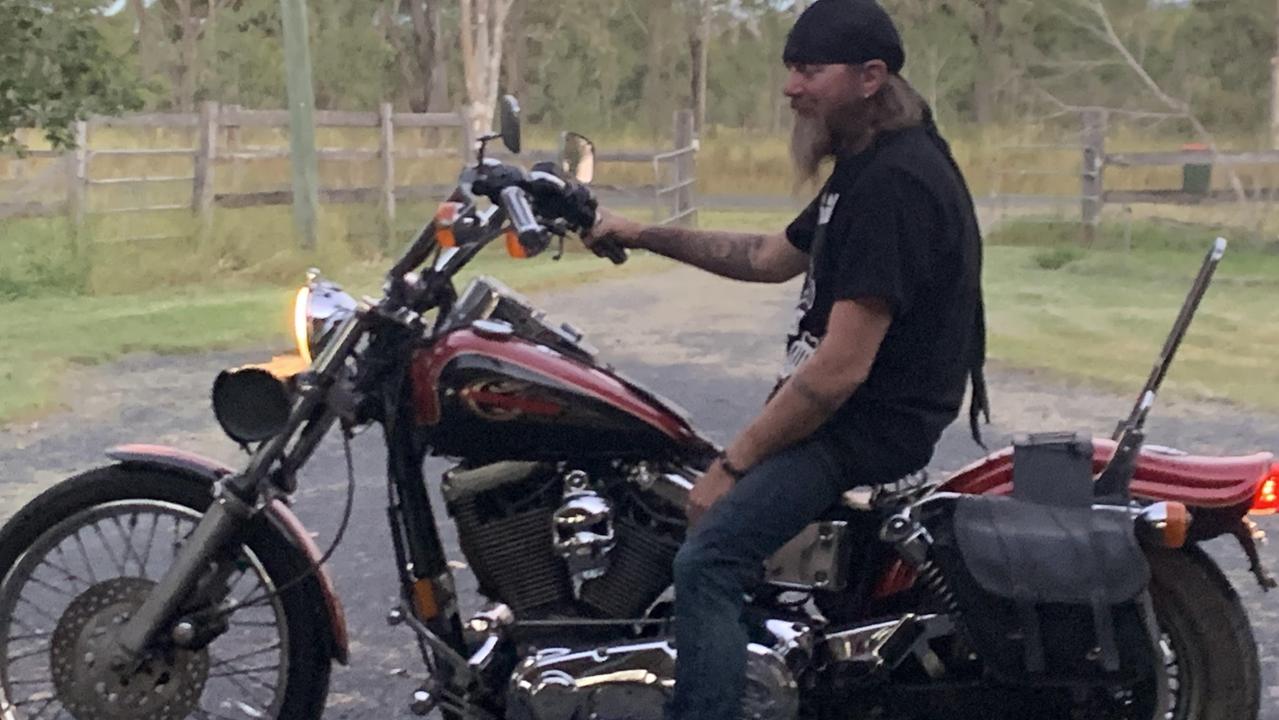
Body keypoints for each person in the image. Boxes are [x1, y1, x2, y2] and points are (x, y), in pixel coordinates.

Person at [583, 0, 989, 717]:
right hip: (850, 419)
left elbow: (839, 370)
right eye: (790, 70)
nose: (790, 88)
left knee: (708, 561)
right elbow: (769, 257)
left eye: (808, 70)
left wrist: (733, 465)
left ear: (870, 77)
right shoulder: (865, 165)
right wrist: (641, 233)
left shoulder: (895, 183)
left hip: (861, 429)